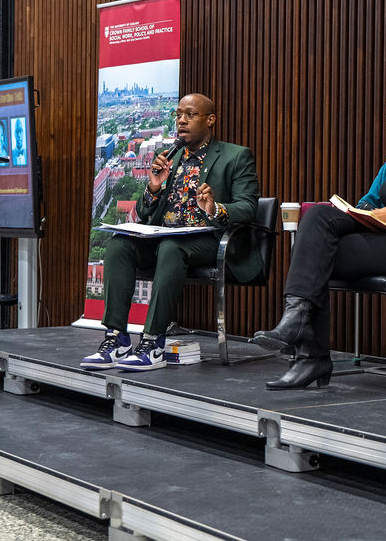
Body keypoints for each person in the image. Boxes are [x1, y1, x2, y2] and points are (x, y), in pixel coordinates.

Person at [251, 81, 386, 390]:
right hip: (384, 241)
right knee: (317, 217)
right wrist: (362, 211)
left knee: (316, 253)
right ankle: (301, 333)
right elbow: (371, 199)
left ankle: (308, 353)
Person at [81, 93, 261, 371]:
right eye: (178, 114)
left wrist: (214, 208)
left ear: (210, 120)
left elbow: (248, 207)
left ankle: (153, 343)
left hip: (209, 238)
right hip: (165, 236)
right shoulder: (170, 158)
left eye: (190, 114)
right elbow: (144, 212)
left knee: (171, 248)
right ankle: (117, 339)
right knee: (119, 245)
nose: (181, 120)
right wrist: (153, 188)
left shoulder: (236, 156)